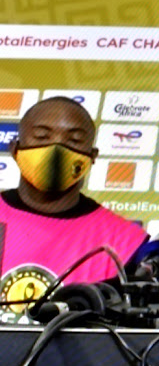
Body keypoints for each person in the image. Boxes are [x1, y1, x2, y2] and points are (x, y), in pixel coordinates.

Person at [0, 96, 148, 319]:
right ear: (15, 149)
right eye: (42, 136)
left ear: (92, 157)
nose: (57, 148)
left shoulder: (125, 243)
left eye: (75, 140)